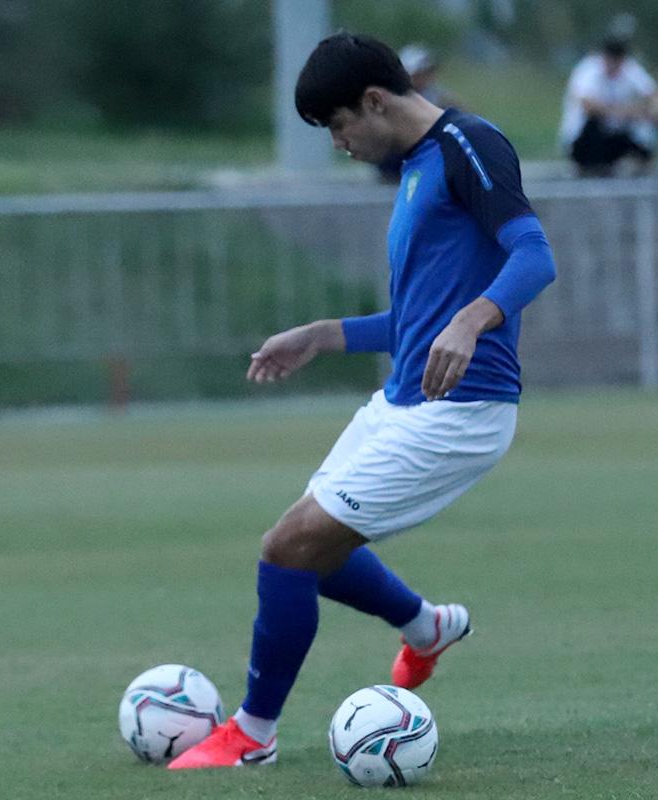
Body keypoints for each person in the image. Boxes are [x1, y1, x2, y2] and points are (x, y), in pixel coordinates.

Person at [168, 32, 557, 770]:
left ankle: (251, 735)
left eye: (339, 125)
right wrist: (322, 335)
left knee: (288, 548)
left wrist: (474, 321)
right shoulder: (413, 168)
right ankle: (426, 627)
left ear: (375, 101)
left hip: (461, 411)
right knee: (307, 550)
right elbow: (416, 320)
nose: (340, 143)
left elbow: (535, 255)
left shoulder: (468, 144)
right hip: (402, 401)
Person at [559, 27, 658, 177]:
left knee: (651, 119)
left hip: (616, 133)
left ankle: (641, 159)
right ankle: (589, 164)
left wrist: (657, 110)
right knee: (596, 122)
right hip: (584, 138)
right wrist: (629, 112)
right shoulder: (588, 70)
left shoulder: (629, 69)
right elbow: (588, 105)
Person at [376, 43, 456, 183]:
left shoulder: (436, 96)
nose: (424, 78)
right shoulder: (394, 96)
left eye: (427, 72)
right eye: (420, 73)